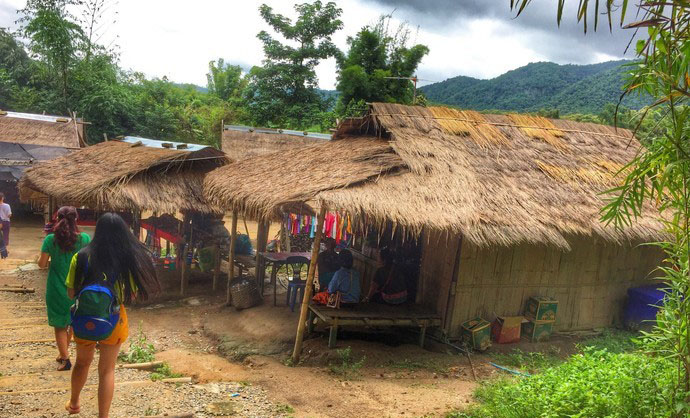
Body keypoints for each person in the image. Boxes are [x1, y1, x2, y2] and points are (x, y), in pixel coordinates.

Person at [64, 213, 160, 417]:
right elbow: (131, 295)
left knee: (82, 363)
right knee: (107, 370)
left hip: (83, 321)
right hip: (114, 319)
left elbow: (71, 293)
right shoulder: (126, 260)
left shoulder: (81, 256)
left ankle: (74, 403)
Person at [38, 207, 91, 371]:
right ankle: (63, 353)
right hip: (77, 288)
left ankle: (65, 358)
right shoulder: (84, 238)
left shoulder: (50, 240)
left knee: (60, 325)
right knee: (72, 321)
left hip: (56, 287)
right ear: (76, 219)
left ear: (57, 218)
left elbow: (42, 264)